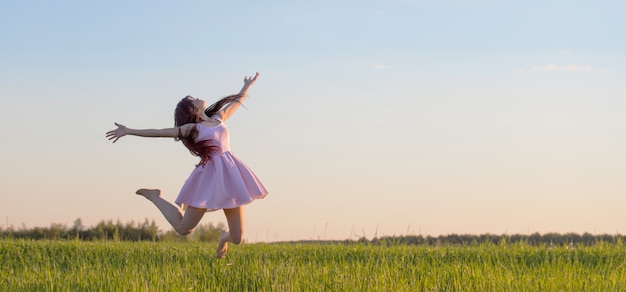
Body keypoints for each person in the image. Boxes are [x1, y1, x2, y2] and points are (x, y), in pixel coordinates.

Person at [106, 72, 267, 258]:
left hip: (230, 175)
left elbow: (236, 103)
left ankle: (224, 237)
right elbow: (158, 132)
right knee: (184, 228)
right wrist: (129, 130)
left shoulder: (218, 117)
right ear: (193, 110)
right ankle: (154, 196)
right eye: (194, 101)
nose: (198, 98)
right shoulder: (192, 129)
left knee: (237, 237)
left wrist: (247, 85)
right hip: (209, 178)